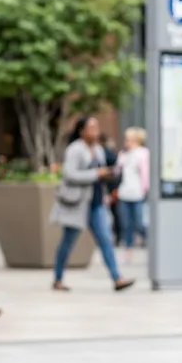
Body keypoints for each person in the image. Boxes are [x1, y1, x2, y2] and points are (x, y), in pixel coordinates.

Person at [51, 116, 134, 292]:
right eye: (91, 127)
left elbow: (103, 173)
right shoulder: (75, 149)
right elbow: (69, 174)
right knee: (67, 242)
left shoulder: (99, 149)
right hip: (78, 204)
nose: (95, 130)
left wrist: (109, 175)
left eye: (97, 127)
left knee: (106, 240)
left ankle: (117, 278)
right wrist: (97, 173)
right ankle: (57, 278)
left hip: (96, 204)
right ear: (82, 131)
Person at [115, 127, 149, 262]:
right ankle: (128, 251)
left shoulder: (143, 153)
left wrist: (146, 190)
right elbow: (118, 173)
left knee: (140, 223)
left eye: (128, 140)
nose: (126, 142)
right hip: (124, 193)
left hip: (138, 193)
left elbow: (145, 174)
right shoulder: (124, 155)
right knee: (126, 224)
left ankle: (152, 242)